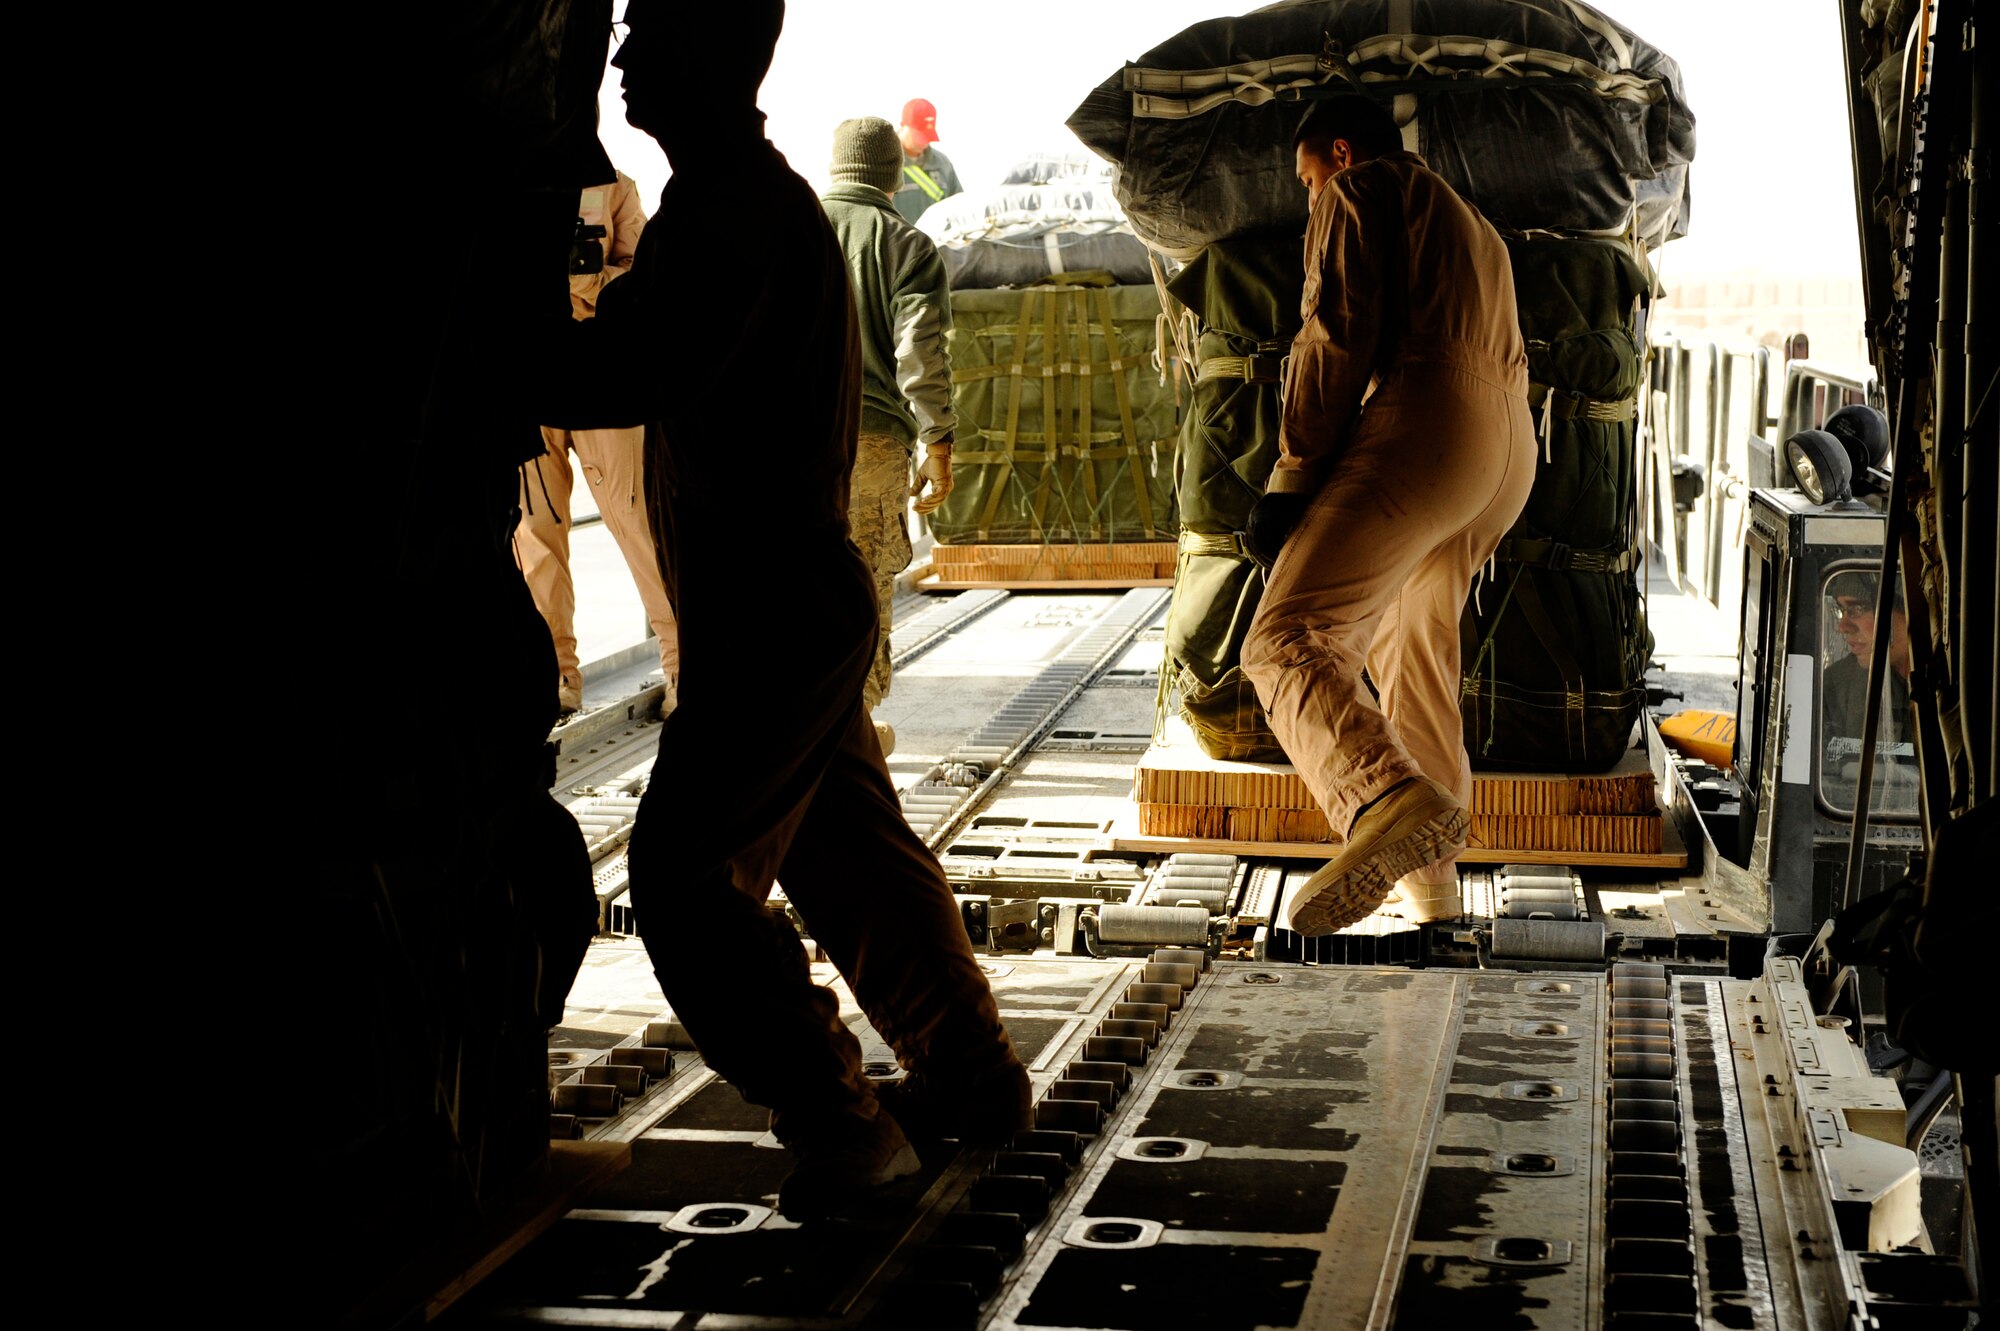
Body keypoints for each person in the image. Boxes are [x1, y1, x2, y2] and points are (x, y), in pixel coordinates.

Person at [536, 0, 1029, 1221]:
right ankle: (972, 1077)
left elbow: (607, 371)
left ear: (711, 53)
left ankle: (838, 1121)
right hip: (788, 604)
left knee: (682, 878)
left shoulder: (732, 218)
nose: (623, 53)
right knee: (851, 857)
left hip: (767, 610)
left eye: (650, 30)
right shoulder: (735, 204)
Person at [1239, 95, 1537, 935]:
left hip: (1432, 420)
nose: (1309, 196)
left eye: (1307, 179)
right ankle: (1433, 894)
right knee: (1415, 655)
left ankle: (1382, 797)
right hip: (1507, 452)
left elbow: (1336, 328)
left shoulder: (1360, 189)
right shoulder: (1476, 227)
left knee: (1286, 637)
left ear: (1340, 153)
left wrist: (1293, 474)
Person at [515, 168, 681, 719]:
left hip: (601, 371)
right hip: (530, 376)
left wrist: (584, 282)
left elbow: (646, 281)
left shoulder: (615, 187)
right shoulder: (512, 180)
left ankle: (682, 666)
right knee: (535, 532)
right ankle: (555, 675)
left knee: (637, 520)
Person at [819, 116, 958, 755]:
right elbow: (919, 352)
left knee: (792, 577)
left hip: (784, 444)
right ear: (894, 178)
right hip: (872, 443)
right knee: (865, 583)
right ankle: (853, 728)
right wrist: (938, 444)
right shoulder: (906, 244)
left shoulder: (791, 230)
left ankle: (799, 728)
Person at [1823, 570, 1912, 744]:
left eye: (1858, 609)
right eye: (1841, 610)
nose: (1842, 627)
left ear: (1908, 612)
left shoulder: (1958, 681)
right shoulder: (1836, 687)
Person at [892, 97, 964, 224]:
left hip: (937, 237)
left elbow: (959, 207)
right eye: (919, 135)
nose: (924, 141)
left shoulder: (943, 164)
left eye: (928, 134)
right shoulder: (884, 163)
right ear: (903, 125)